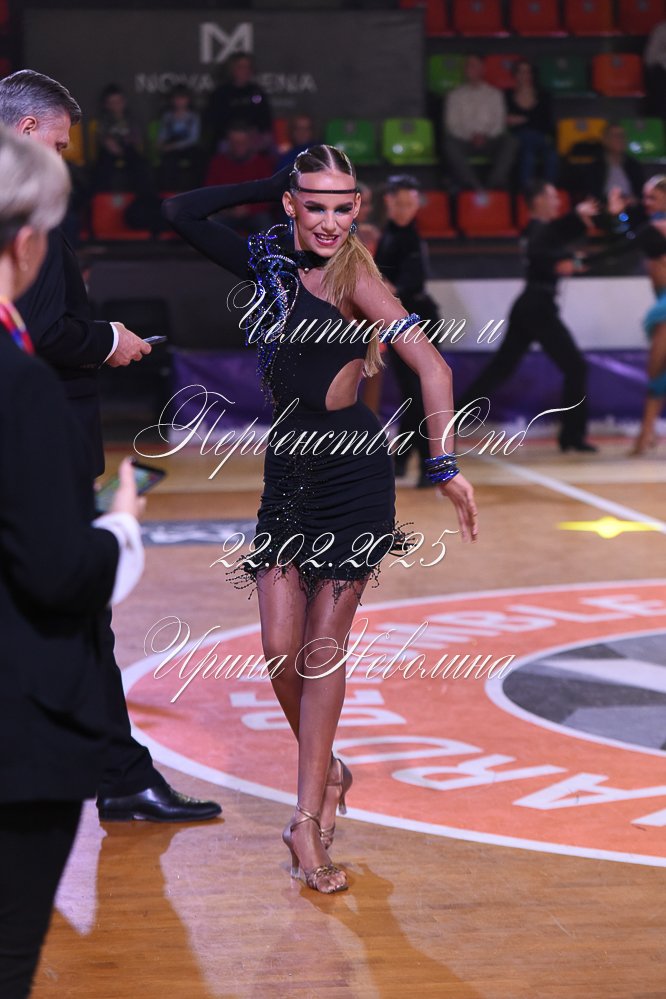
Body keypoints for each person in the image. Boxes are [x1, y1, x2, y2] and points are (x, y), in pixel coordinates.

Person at [163, 145, 478, 894]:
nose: (331, 221)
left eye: (343, 206)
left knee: (321, 648)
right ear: (291, 204)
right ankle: (329, 768)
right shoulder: (267, 263)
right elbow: (180, 211)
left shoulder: (357, 277)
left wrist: (443, 467)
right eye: (315, 205)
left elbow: (433, 366)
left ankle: (306, 819)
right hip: (288, 470)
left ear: (358, 207)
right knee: (279, 648)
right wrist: (269, 180)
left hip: (353, 473)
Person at [0, 69, 221, 823]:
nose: (65, 159)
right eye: (60, 143)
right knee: (77, 605)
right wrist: (109, 339)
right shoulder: (28, 215)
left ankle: (121, 770)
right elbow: (44, 331)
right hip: (43, 437)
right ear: (28, 130)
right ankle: (118, 773)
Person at [0, 124, 144, 999]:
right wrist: (120, 531)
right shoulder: (20, 384)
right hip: (17, 730)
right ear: (26, 241)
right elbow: (58, 572)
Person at [456, 181, 599, 453]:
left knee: (500, 369)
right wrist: (574, 225)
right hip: (537, 307)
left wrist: (573, 259)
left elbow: (559, 252)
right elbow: (550, 251)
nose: (557, 201)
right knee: (575, 367)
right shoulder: (538, 231)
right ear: (538, 201)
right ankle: (572, 436)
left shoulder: (542, 232)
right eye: (552, 197)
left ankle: (450, 419)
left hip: (532, 305)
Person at [375, 174, 441, 484]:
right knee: (413, 393)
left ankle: (422, 463)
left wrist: (388, 287)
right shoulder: (389, 235)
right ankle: (403, 459)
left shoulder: (411, 238)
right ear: (389, 202)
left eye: (410, 204)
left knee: (420, 393)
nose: (405, 210)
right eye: (400, 204)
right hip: (399, 321)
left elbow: (410, 283)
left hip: (420, 321)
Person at [608, 177, 666, 454]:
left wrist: (618, 215)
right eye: (644, 197)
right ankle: (647, 434)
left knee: (656, 367)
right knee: (659, 371)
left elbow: (623, 244)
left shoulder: (658, 227)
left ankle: (645, 435)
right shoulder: (654, 226)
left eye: (652, 197)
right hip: (662, 301)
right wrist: (621, 215)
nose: (646, 203)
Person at [444, 54, 517, 191]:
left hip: (490, 140)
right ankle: (473, 187)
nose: (470, 69)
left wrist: (484, 136)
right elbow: (452, 125)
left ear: (482, 69)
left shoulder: (495, 94)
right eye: (468, 66)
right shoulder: (454, 96)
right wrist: (471, 136)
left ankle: (494, 185)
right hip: (465, 141)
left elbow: (499, 123)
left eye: (474, 65)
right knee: (449, 144)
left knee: (510, 142)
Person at [505, 59, 558, 190]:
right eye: (521, 72)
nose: (525, 75)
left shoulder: (543, 96)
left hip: (540, 137)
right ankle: (527, 193)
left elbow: (547, 123)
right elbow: (506, 121)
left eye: (528, 72)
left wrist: (522, 119)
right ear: (515, 75)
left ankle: (547, 192)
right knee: (527, 155)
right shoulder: (507, 96)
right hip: (518, 139)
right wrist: (530, 119)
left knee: (552, 156)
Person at [206, 53, 272, 153]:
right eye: (241, 67)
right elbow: (215, 122)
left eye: (248, 67)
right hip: (228, 139)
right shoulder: (221, 93)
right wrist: (235, 134)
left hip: (253, 138)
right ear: (232, 69)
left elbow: (265, 120)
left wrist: (253, 133)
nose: (245, 70)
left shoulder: (256, 91)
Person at [92, 83, 149, 193]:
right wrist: (110, 144)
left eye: (118, 102)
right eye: (112, 102)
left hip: (128, 150)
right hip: (108, 153)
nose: (116, 105)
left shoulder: (131, 119)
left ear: (124, 102)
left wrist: (126, 144)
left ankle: (143, 197)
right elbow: (103, 138)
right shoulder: (104, 120)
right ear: (107, 105)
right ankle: (101, 197)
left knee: (141, 165)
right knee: (101, 167)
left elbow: (137, 139)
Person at [156, 84, 203, 190]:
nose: (179, 101)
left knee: (198, 158)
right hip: (172, 147)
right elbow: (163, 133)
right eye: (176, 98)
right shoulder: (168, 116)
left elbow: (193, 139)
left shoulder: (193, 116)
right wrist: (160, 143)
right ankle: (170, 192)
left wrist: (173, 146)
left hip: (188, 147)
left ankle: (196, 190)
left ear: (188, 100)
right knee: (168, 162)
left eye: (182, 98)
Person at [584, 123, 643, 205]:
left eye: (622, 136)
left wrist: (633, 200)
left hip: (631, 207)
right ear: (605, 140)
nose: (620, 139)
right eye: (615, 136)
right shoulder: (595, 166)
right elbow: (591, 195)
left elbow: (641, 193)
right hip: (604, 207)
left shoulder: (634, 165)